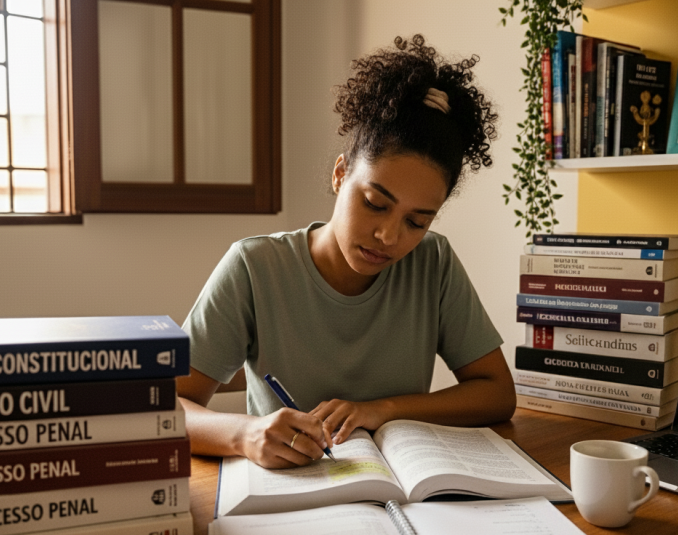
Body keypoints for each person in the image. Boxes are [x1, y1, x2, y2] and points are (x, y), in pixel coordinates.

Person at [176, 35, 516, 469]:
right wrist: (244, 434)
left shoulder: (434, 262)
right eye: (375, 203)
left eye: (417, 221)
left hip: (405, 487)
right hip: (289, 491)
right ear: (340, 175)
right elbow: (168, 407)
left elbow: (497, 392)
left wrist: (384, 409)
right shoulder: (254, 267)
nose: (389, 237)